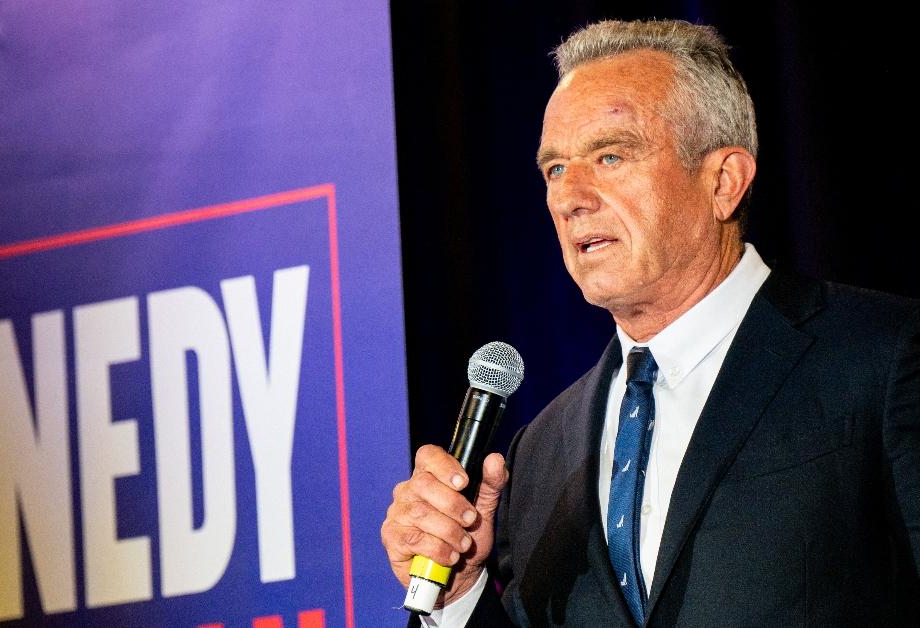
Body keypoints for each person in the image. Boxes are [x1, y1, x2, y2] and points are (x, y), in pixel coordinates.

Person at [380, 19, 919, 627]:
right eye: (554, 169)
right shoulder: (539, 454)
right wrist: (459, 597)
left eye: (610, 155)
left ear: (724, 181)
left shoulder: (886, 356)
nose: (568, 197)